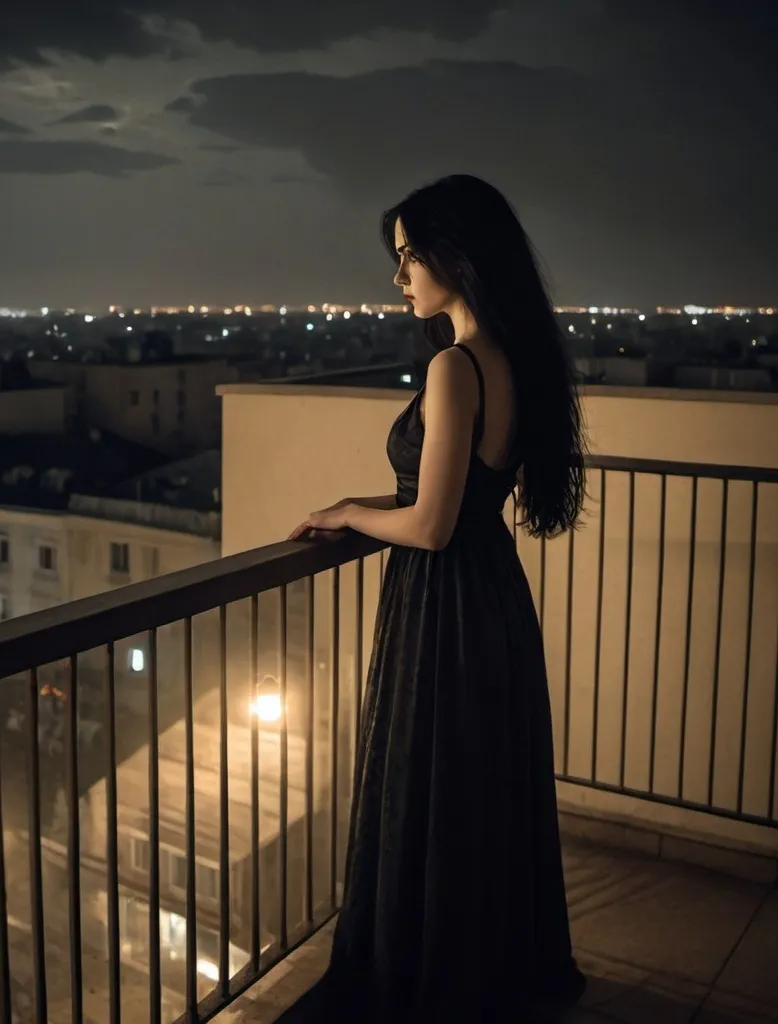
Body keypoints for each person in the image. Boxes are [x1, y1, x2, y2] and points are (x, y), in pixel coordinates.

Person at [282, 174, 589, 1022]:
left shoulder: (455, 367)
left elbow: (432, 526)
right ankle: (484, 969)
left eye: (410, 256)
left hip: (445, 603)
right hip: (491, 601)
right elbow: (463, 500)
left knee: (429, 785)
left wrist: (348, 511)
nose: (400, 275)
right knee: (477, 789)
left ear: (458, 256)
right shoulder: (514, 359)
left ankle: (425, 978)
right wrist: (389, 507)